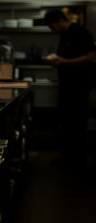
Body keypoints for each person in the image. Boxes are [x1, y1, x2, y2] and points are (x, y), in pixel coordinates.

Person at [44, 9, 95, 168]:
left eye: (53, 27)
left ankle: (77, 160)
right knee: (67, 123)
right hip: (67, 85)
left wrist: (66, 62)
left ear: (60, 20)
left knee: (77, 123)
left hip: (79, 86)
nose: (53, 31)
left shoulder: (80, 32)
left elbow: (91, 56)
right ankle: (67, 158)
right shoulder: (64, 34)